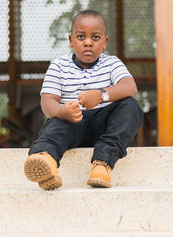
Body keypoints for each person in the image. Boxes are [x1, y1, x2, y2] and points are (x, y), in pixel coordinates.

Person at [24, 10, 143, 190]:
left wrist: (101, 95)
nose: (88, 42)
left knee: (131, 106)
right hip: (72, 123)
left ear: (105, 42)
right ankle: (45, 160)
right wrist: (61, 112)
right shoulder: (58, 66)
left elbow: (130, 87)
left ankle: (102, 164)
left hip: (105, 126)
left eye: (95, 38)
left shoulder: (112, 63)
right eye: (81, 37)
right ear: (71, 41)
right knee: (54, 123)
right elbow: (48, 100)